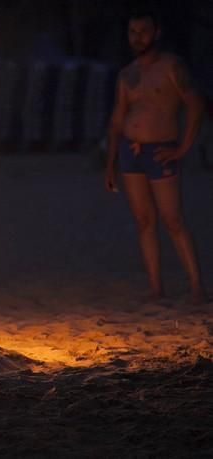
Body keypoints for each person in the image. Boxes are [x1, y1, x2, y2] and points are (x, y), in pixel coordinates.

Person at [104, 9, 206, 304]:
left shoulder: (172, 66)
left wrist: (183, 147)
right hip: (130, 152)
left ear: (156, 32)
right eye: (133, 33)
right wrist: (110, 163)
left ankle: (197, 286)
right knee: (144, 221)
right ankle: (156, 287)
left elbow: (195, 104)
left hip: (161, 150)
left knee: (173, 220)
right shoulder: (127, 74)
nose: (138, 38)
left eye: (143, 32)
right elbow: (116, 120)